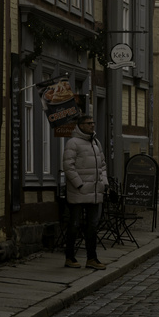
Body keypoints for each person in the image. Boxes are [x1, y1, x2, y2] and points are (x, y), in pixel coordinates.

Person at [63, 114, 108, 271]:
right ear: (80, 125)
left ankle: (92, 258)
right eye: (89, 123)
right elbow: (68, 166)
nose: (92, 125)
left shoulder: (96, 143)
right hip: (79, 191)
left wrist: (104, 183)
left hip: (95, 192)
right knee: (74, 224)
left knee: (92, 226)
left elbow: (102, 165)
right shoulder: (73, 143)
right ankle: (69, 257)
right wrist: (79, 185)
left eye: (93, 123)